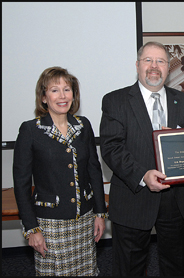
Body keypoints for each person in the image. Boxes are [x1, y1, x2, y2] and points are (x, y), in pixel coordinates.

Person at [99, 41, 184, 276]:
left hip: (174, 200)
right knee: (129, 268)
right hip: (133, 197)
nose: (154, 66)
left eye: (161, 61)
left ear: (168, 68)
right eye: (148, 60)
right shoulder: (115, 101)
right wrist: (143, 175)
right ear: (137, 65)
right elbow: (111, 148)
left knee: (174, 266)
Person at [13, 66, 108, 276]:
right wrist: (32, 229)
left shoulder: (84, 125)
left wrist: (100, 213)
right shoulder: (30, 130)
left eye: (67, 89)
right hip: (49, 225)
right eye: (55, 90)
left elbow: (94, 170)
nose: (62, 96)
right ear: (44, 97)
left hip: (84, 220)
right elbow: (21, 184)